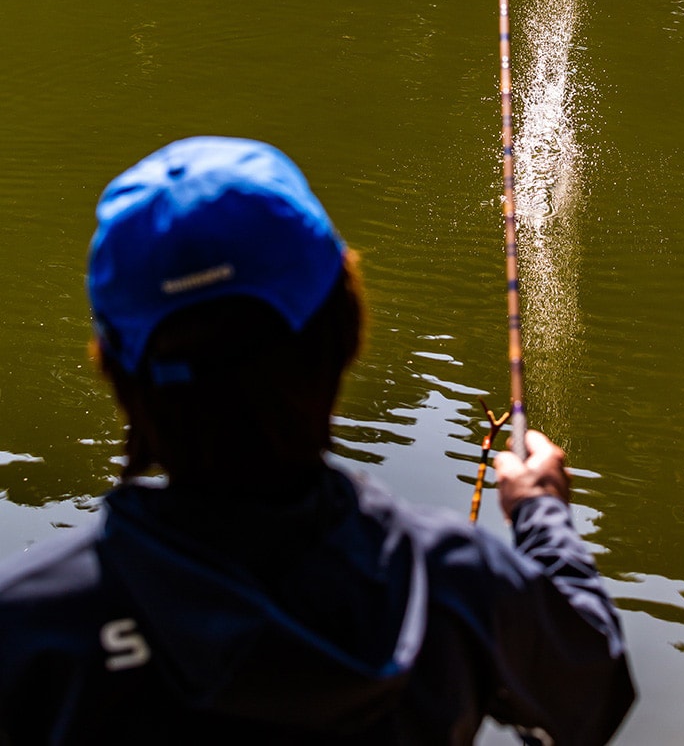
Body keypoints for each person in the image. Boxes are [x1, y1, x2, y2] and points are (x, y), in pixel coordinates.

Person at [0, 136, 635, 745]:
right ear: (348, 331)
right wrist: (541, 511)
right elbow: (591, 690)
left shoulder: (31, 628)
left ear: (114, 369)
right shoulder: (452, 582)